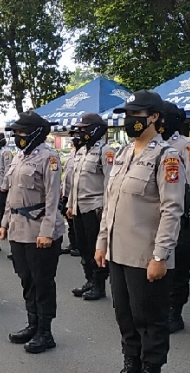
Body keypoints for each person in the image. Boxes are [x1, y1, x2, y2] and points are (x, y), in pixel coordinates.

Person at [96, 90, 186, 373]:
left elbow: (172, 210)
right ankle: (131, 368)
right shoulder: (122, 153)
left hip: (146, 256)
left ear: (154, 118)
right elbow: (112, 203)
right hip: (119, 252)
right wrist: (102, 242)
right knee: (125, 316)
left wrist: (160, 256)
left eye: (136, 115)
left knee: (150, 319)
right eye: (127, 115)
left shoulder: (167, 156)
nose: (129, 120)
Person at [0, 111, 64, 354]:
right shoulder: (18, 157)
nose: (18, 136)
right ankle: (32, 323)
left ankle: (45, 332)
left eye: (22, 132)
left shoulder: (50, 158)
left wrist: (47, 231)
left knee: (42, 280)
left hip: (39, 229)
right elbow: (12, 195)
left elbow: (53, 197)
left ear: (36, 132)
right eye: (16, 132)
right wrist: (4, 223)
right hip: (18, 228)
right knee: (26, 278)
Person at [161, 101, 190, 333]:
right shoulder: (151, 145)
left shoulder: (187, 146)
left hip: (180, 215)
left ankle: (174, 312)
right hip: (156, 214)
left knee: (179, 267)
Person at [67, 113, 114, 301]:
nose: (81, 132)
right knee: (83, 247)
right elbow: (74, 182)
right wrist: (70, 205)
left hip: (95, 208)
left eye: (84, 129)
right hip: (79, 208)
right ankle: (89, 280)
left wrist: (106, 211)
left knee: (97, 248)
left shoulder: (106, 151)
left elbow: (110, 183)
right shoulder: (80, 152)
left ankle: (99, 284)